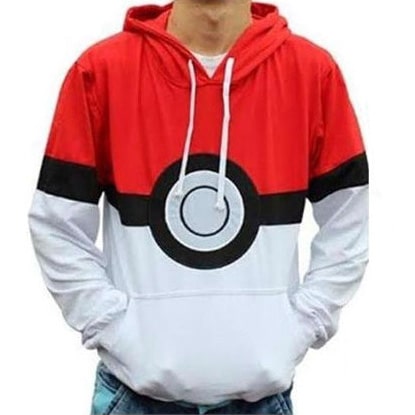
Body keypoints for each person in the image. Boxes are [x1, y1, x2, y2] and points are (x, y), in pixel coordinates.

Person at [27, 0, 369, 414]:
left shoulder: (312, 73)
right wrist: (111, 325)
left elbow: (348, 218)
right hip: (134, 397)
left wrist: (306, 321)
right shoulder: (101, 72)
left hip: (260, 400)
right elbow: (57, 225)